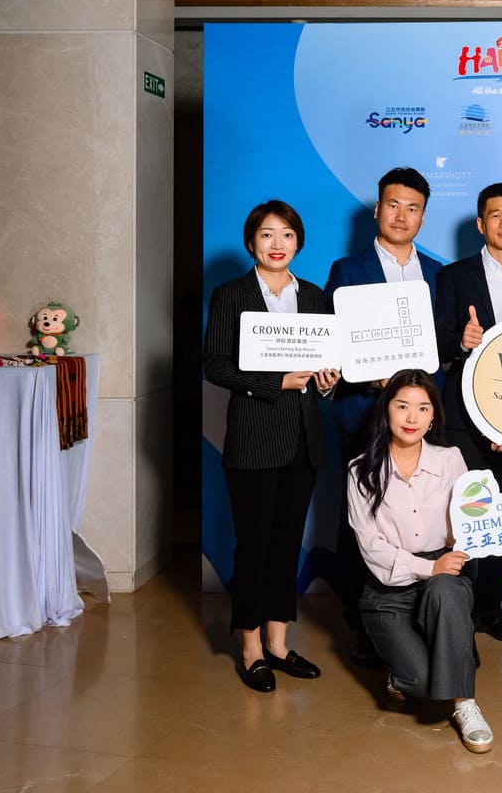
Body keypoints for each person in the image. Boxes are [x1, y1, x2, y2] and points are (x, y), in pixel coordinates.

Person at [203, 200, 340, 693]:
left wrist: (327, 382)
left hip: (303, 440)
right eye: (266, 234)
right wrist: (274, 382)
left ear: (298, 241)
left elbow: (327, 367)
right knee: (253, 547)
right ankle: (250, 648)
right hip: (253, 439)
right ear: (251, 242)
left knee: (286, 546)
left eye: (286, 234)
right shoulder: (231, 294)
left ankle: (279, 644)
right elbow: (215, 365)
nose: (277, 244)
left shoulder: (316, 296)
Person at [323, 167, 443, 667]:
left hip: (416, 422)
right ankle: (362, 620)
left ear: (423, 216)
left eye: (412, 208)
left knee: (416, 517)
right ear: (377, 209)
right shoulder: (346, 270)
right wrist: (361, 373)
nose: (401, 215)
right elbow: (331, 342)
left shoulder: (437, 273)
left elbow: (442, 351)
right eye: (393, 205)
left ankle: (413, 615)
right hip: (362, 414)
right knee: (361, 520)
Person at [346, 370, 493, 754]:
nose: (412, 417)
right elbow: (371, 547)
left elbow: (475, 520)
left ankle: (465, 704)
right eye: (402, 406)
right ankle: (422, 658)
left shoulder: (450, 459)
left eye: (423, 408)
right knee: (424, 684)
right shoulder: (361, 470)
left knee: (446, 590)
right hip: (387, 588)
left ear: (433, 417)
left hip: (443, 573)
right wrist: (428, 568)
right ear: (386, 411)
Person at [434, 182, 502, 644]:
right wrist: (461, 341)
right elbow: (436, 343)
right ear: (481, 223)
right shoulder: (453, 276)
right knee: (461, 516)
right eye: (495, 215)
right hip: (464, 418)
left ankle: (489, 610)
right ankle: (453, 612)